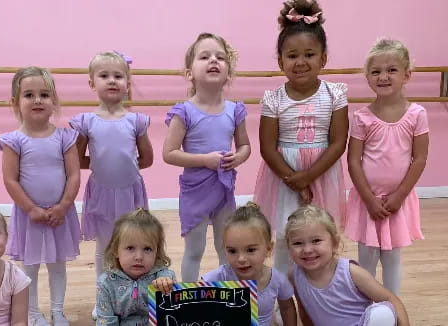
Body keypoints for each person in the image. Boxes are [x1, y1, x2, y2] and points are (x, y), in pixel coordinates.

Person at [254, 0, 348, 275]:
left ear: (323, 58)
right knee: (286, 234)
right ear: (281, 60)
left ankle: (322, 291)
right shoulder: (274, 98)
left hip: (322, 172)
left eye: (309, 54)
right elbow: (267, 147)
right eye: (292, 55)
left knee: (321, 234)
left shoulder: (335, 95)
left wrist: (309, 177)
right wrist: (294, 180)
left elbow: (339, 142)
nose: (301, 62)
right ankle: (283, 294)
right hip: (284, 176)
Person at [69, 51, 153, 319]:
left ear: (127, 83)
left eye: (118, 76)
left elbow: (147, 158)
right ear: (92, 83)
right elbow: (77, 159)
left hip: (130, 192)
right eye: (104, 76)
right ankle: (103, 297)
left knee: (135, 243)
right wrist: (103, 167)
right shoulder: (86, 121)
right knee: (105, 247)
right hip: (102, 193)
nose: (112, 80)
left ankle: (137, 296)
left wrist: (125, 168)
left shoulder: (135, 121)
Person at [163, 32, 251, 281]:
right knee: (194, 249)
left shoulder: (235, 110)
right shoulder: (184, 112)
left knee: (227, 247)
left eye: (220, 57)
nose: (213, 60)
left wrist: (239, 157)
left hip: (224, 189)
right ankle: (190, 300)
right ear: (189, 73)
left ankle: (228, 297)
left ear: (228, 72)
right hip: (195, 191)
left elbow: (245, 145)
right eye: (205, 56)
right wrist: (204, 160)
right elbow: (169, 154)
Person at [344, 38, 429, 295]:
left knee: (392, 258)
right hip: (367, 200)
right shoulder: (362, 117)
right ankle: (364, 306)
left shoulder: (417, 114)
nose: (383, 76)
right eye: (376, 71)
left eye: (391, 69)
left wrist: (399, 196)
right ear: (368, 78)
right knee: (367, 257)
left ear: (407, 75)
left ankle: (392, 307)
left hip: (398, 202)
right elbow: (353, 160)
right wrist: (369, 199)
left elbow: (420, 158)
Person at [0, 66, 81, 326]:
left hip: (60, 214)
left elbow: (74, 176)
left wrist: (64, 205)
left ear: (54, 101)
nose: (37, 100)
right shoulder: (14, 140)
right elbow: (10, 180)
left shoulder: (65, 137)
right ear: (15, 102)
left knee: (57, 265)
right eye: (29, 95)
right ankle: (33, 312)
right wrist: (31, 208)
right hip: (29, 216)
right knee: (30, 268)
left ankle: (58, 310)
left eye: (44, 95)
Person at [286, 205, 410, 325]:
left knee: (382, 313)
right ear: (288, 247)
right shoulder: (294, 276)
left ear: (335, 243)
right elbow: (304, 310)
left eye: (316, 241)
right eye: (298, 243)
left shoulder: (352, 273)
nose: (307, 250)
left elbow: (392, 301)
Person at [202, 202, 297, 326]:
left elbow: (287, 307)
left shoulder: (277, 279)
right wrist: (168, 287)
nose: (241, 259)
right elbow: (194, 299)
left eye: (250, 250)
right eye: (232, 251)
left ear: (268, 249)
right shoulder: (218, 278)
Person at [96, 208, 175, 326]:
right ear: (116, 250)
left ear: (156, 252)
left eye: (147, 249)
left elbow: (174, 312)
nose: (139, 257)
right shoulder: (106, 283)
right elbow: (106, 321)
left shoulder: (163, 276)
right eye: (130, 248)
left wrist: (167, 284)